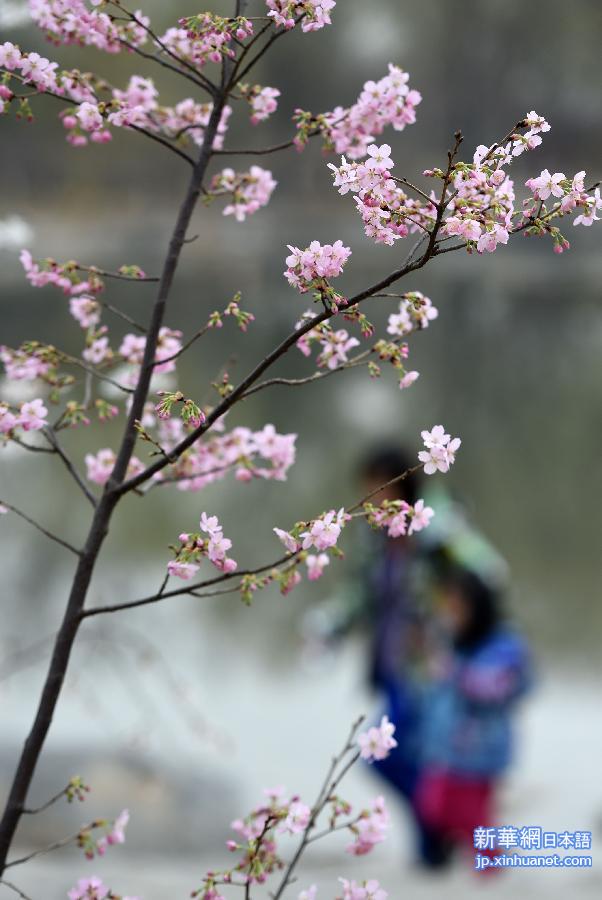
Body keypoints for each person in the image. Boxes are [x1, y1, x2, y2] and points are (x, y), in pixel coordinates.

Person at [413, 564, 532, 867]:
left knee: (474, 822)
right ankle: (488, 863)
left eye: (457, 605)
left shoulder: (504, 645)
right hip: (447, 751)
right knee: (434, 806)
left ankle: (494, 870)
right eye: (447, 605)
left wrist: (453, 672)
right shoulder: (453, 642)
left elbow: (495, 688)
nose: (450, 613)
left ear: (476, 605)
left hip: (480, 754)